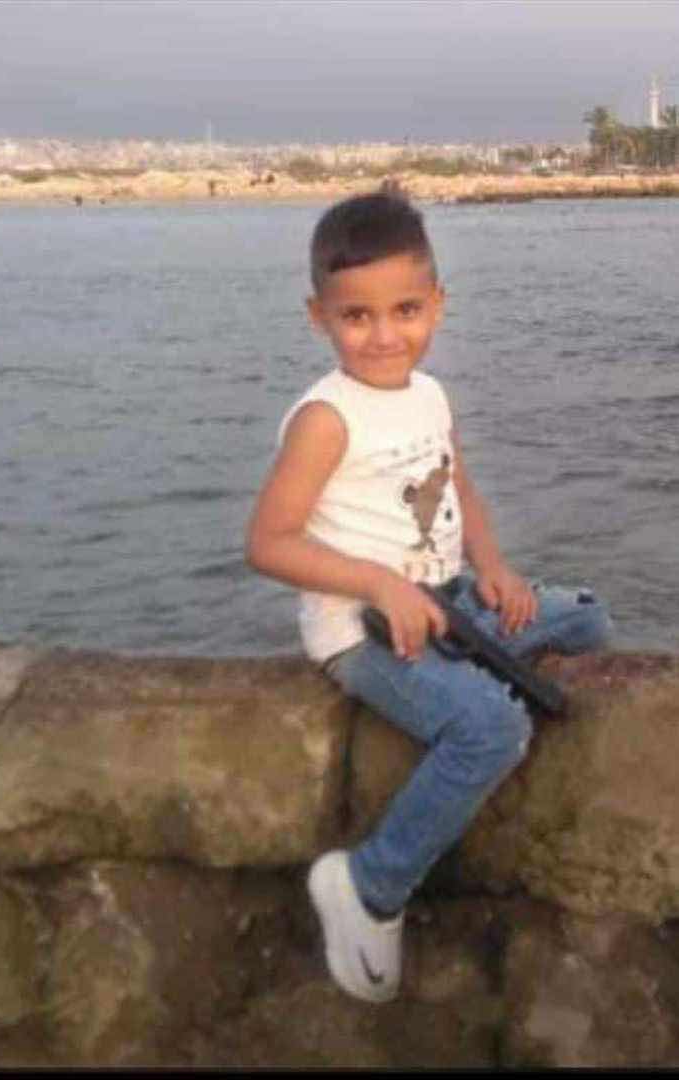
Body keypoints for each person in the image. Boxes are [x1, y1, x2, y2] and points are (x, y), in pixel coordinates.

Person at [244, 192, 612, 1004]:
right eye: (358, 317)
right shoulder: (326, 419)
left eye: (405, 311)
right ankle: (370, 886)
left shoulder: (429, 396)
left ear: (437, 304)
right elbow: (268, 542)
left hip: (447, 600)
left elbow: (457, 490)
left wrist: (496, 569)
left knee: (587, 617)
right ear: (319, 317)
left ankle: (471, 655)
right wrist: (379, 583)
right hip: (363, 629)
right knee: (494, 728)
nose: (385, 335)